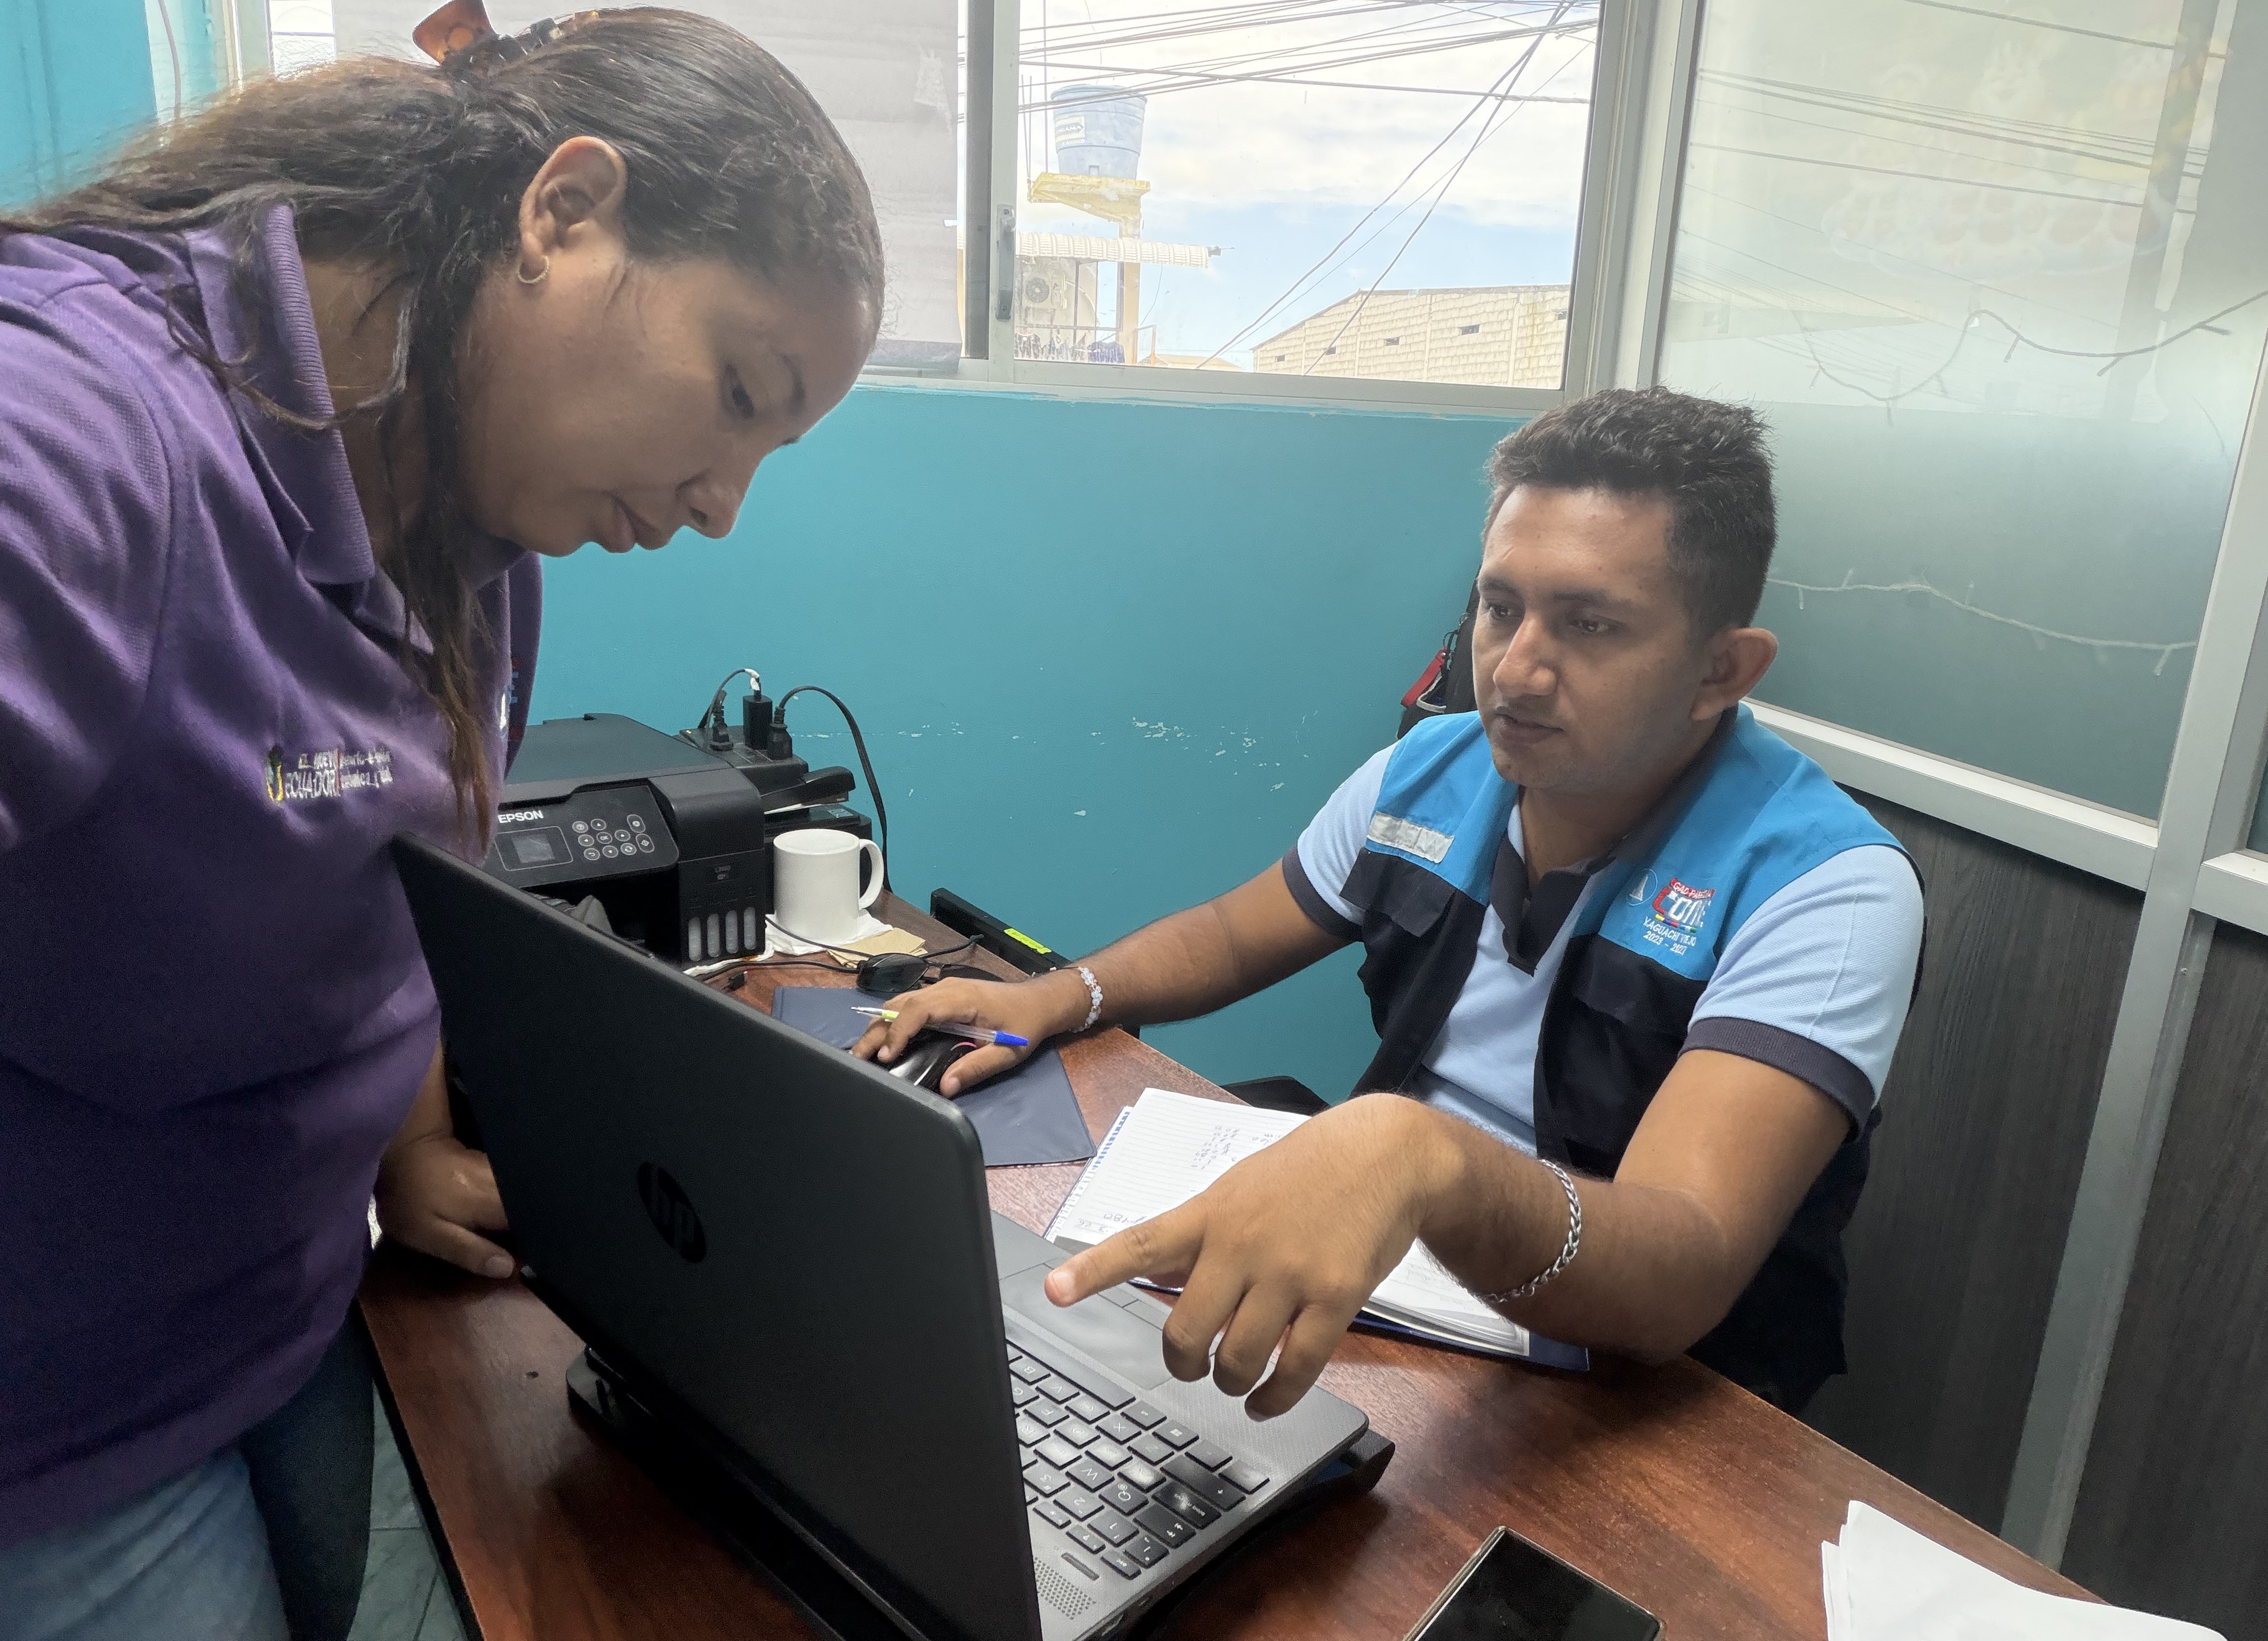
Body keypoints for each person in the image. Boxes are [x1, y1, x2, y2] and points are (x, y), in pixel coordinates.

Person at [0, 8, 879, 1638]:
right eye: (737, 393)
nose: (720, 506)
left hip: (300, 1304)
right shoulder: (82, 424)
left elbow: (397, 877)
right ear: (564, 210)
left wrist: (410, 1148)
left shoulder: (480, 523)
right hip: (65, 1419)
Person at [858, 388, 1926, 1420]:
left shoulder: (1824, 885)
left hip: (1648, 1390)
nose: (1517, 671)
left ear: (1721, 671)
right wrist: (1058, 995)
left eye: (1592, 624)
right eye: (1500, 609)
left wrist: (1425, 1159)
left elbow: (1679, 1273)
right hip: (1403, 1289)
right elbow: (1232, 934)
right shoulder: (1430, 769)